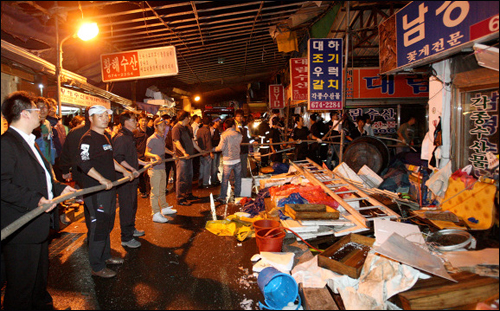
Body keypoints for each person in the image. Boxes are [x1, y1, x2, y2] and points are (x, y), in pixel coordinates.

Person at [1, 91, 76, 309]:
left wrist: (61, 189)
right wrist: (37, 200)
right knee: (21, 287)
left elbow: (42, 177)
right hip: (21, 228)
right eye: (36, 109)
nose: (41, 114)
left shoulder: (29, 141)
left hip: (38, 227)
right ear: (24, 114)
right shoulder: (6, 144)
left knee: (38, 280)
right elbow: (3, 185)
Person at [77, 105, 134, 278]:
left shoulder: (106, 137)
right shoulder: (87, 139)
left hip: (109, 189)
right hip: (97, 191)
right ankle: (97, 266)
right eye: (100, 116)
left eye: (106, 116)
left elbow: (111, 160)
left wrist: (124, 171)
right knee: (98, 228)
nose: (105, 118)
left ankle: (106, 256)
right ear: (91, 118)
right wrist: (101, 179)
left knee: (107, 224)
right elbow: (83, 163)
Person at [112, 111, 144, 248]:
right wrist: (131, 169)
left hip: (132, 177)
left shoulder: (130, 136)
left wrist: (142, 163)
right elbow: (118, 158)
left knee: (132, 205)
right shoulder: (121, 138)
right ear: (125, 122)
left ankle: (131, 229)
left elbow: (131, 156)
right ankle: (126, 237)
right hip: (125, 179)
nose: (136, 122)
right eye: (133, 120)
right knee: (126, 208)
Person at [144, 117, 177, 223]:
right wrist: (155, 156)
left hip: (162, 167)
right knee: (155, 192)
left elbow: (163, 149)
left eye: (165, 125)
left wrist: (172, 153)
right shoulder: (152, 139)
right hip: (154, 169)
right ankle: (155, 213)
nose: (164, 127)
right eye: (161, 125)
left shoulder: (162, 137)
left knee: (163, 189)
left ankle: (164, 208)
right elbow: (146, 153)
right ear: (155, 126)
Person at [172, 111, 203, 206]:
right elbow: (176, 142)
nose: (189, 119)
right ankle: (180, 198)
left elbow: (192, 141)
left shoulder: (187, 128)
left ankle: (188, 194)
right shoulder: (176, 128)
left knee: (189, 176)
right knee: (181, 178)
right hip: (182, 158)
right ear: (185, 118)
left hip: (189, 156)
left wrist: (200, 150)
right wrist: (184, 152)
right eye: (188, 118)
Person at [212, 118, 242, 204]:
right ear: (233, 125)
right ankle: (237, 196)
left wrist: (213, 149)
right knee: (238, 178)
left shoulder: (224, 135)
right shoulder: (238, 134)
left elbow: (220, 148)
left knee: (225, 179)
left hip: (227, 160)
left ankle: (223, 197)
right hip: (237, 159)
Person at [134, 114, 151, 198]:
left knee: (149, 175)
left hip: (149, 156)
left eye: (145, 121)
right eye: (142, 120)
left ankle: (149, 190)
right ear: (139, 121)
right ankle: (143, 191)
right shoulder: (135, 132)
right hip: (139, 157)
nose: (144, 123)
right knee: (141, 175)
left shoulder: (150, 131)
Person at [196, 116, 213, 189]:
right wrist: (210, 152)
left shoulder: (199, 130)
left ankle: (200, 181)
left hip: (200, 151)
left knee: (202, 167)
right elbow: (208, 142)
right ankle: (205, 183)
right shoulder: (207, 131)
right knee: (207, 168)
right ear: (209, 123)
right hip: (206, 151)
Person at [235, 109, 250, 178]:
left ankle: (244, 180)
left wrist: (252, 141)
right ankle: (236, 181)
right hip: (236, 150)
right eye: (238, 116)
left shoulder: (245, 125)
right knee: (237, 166)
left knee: (244, 165)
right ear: (235, 117)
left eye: (241, 116)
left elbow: (248, 136)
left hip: (244, 149)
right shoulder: (233, 126)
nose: (240, 118)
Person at [165, 116, 177, 193]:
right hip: (167, 155)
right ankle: (164, 187)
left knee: (175, 171)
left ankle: (176, 187)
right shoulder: (163, 133)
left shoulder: (172, 131)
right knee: (166, 172)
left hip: (173, 154)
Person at [210, 118, 222, 186]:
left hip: (218, 149)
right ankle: (213, 180)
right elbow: (210, 139)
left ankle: (215, 178)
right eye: (218, 121)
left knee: (216, 165)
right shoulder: (212, 129)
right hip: (214, 149)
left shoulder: (218, 129)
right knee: (214, 165)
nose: (219, 123)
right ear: (215, 122)